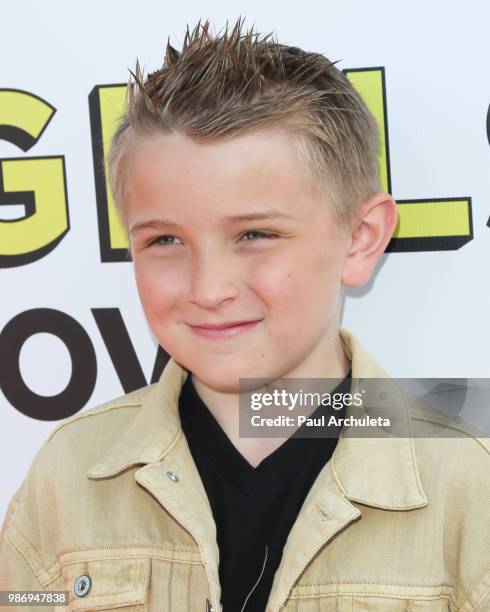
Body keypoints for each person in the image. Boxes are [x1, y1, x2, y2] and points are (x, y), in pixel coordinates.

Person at [1, 17, 489, 612]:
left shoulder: (471, 489)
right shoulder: (70, 472)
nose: (208, 288)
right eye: (164, 241)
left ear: (360, 239)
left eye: (255, 233)